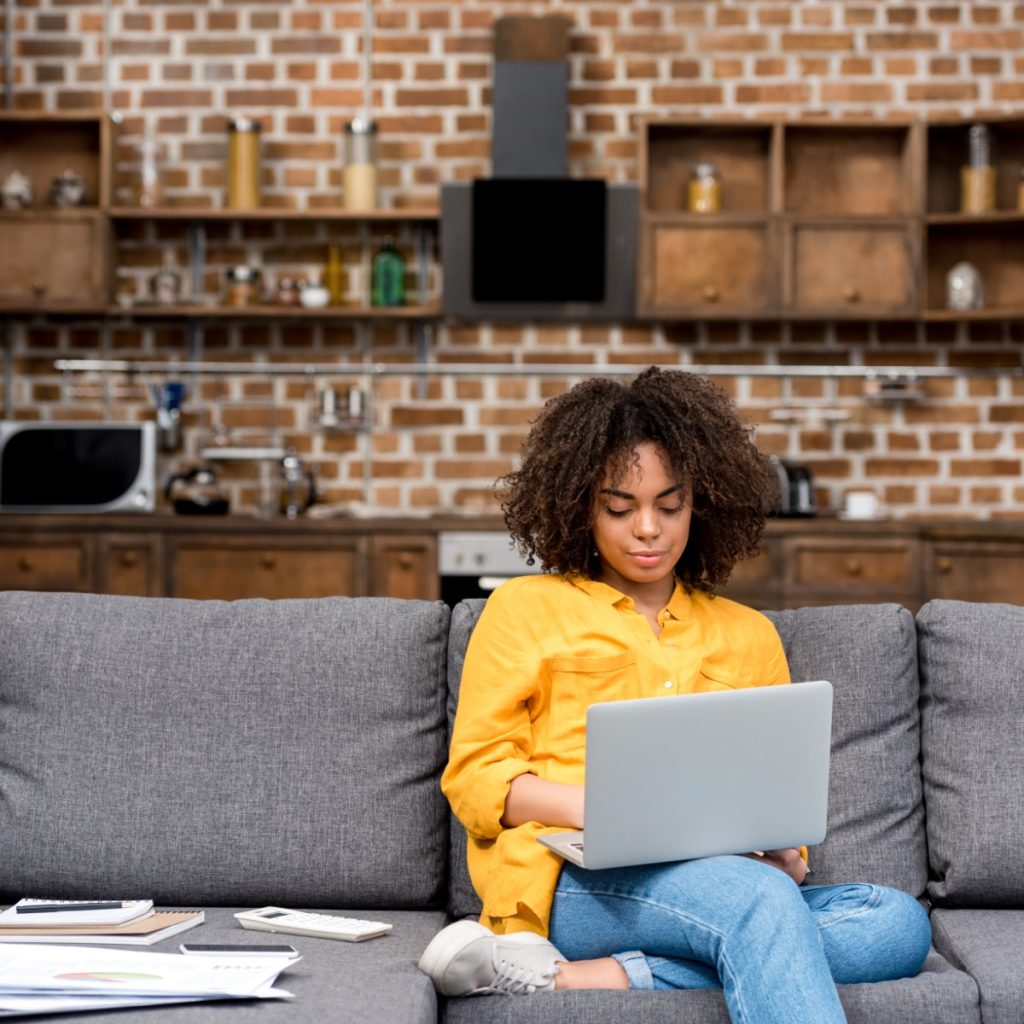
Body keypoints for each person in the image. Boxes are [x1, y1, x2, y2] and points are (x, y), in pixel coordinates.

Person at [417, 367, 931, 1021]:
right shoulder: (524, 609)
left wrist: (781, 856)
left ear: (701, 503)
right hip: (576, 880)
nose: (649, 530)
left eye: (670, 504)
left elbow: (779, 804)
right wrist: (610, 810)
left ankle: (577, 980)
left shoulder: (748, 634)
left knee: (895, 923)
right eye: (620, 507)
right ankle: (683, 936)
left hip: (725, 880)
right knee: (759, 906)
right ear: (581, 505)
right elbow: (478, 779)